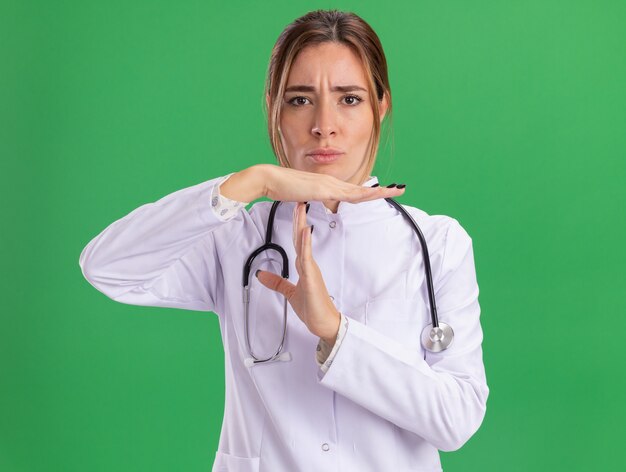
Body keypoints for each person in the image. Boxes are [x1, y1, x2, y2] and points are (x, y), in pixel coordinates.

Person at [79, 9, 489, 471]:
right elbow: (107, 267)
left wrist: (335, 331)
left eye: (349, 99)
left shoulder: (436, 244)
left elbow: (457, 419)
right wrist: (249, 183)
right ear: (274, 105)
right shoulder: (237, 236)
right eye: (299, 100)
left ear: (381, 106)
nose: (324, 125)